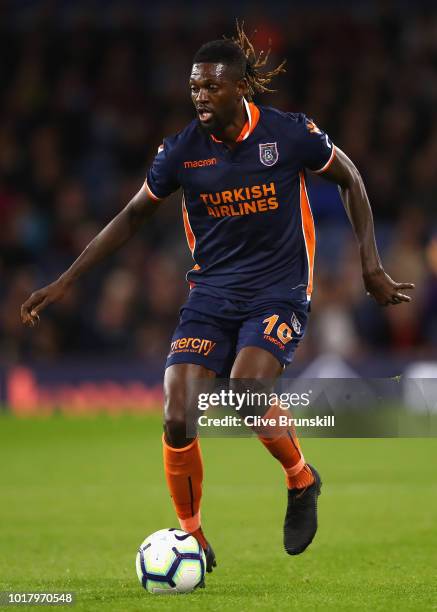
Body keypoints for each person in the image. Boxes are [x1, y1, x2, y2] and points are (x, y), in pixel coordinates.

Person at [21, 24, 414, 575]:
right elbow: (134, 214)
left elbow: (350, 178)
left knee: (246, 389)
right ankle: (193, 538)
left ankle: (301, 478)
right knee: (177, 410)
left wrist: (371, 264)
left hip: (278, 290)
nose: (200, 98)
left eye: (210, 87)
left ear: (240, 89)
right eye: (194, 88)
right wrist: (67, 279)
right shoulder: (182, 151)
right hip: (212, 293)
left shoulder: (289, 134)